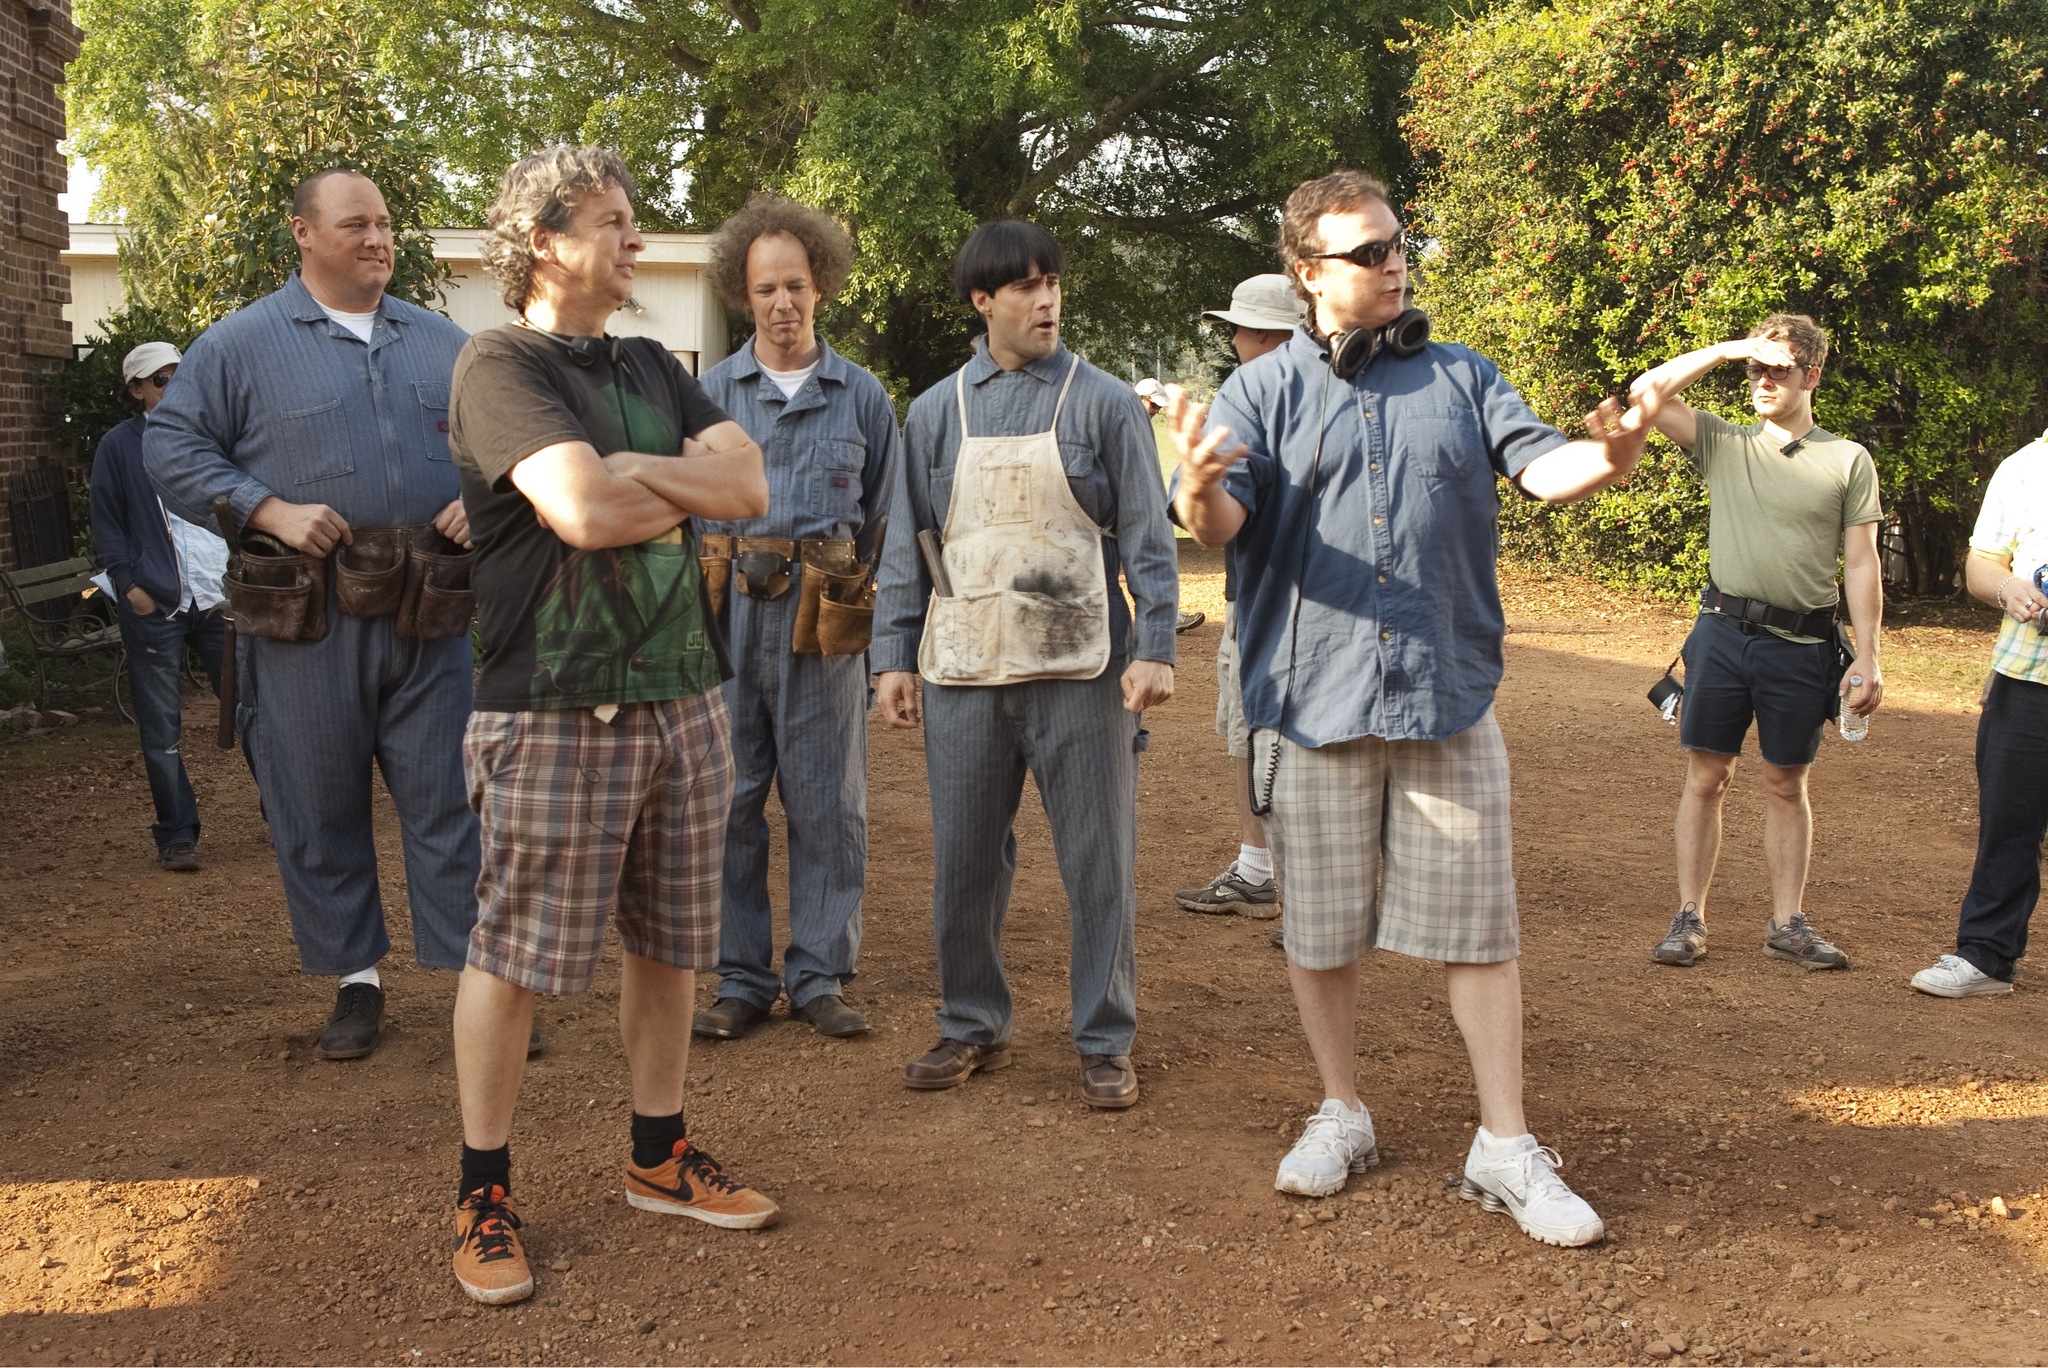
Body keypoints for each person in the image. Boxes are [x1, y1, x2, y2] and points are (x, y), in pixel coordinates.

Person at [1170, 169, 1666, 1245]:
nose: (1394, 262)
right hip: (1312, 704)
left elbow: (1545, 470)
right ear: (1307, 274)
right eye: (1366, 252)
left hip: (1444, 695)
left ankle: (1502, 1144)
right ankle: (1341, 1110)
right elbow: (1216, 525)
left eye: (1398, 245)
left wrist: (1614, 454)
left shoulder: (1461, 376)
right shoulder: (1259, 396)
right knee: (1318, 932)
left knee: (1480, 933)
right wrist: (1195, 481)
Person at [442, 145, 777, 1307]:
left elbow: (749, 488)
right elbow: (581, 513)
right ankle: (483, 1191)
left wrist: (637, 467)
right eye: (617, 222)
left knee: (673, 940)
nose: (637, 240)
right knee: (515, 952)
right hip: (552, 706)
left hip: (685, 695)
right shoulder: (497, 363)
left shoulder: (647, 359)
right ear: (545, 238)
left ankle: (658, 1155)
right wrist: (650, 482)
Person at [146, 168, 480, 1061]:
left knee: (449, 799)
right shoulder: (239, 345)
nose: (378, 239)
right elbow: (170, 445)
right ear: (302, 232)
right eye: (356, 225)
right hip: (306, 619)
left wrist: (485, 499)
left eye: (386, 225)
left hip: (428, 610)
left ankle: (470, 991)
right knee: (317, 800)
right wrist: (264, 507)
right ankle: (356, 983)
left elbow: (514, 444)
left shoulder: (448, 344)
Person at [872, 220, 1179, 1110]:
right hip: (963, 671)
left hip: (1084, 672)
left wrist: (1154, 644)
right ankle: (970, 1022)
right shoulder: (932, 414)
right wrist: (892, 658)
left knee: (1099, 860)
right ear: (983, 302)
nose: (1046, 301)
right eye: (1026, 288)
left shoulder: (1105, 403)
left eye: (1054, 284)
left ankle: (1105, 1038)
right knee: (965, 859)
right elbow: (907, 547)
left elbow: (1150, 541)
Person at [688, 193, 902, 1042]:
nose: (782, 303)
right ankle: (741, 976)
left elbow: (884, 520)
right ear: (745, 296)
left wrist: (878, 636)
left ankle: (819, 973)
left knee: (829, 804)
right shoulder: (705, 396)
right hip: (727, 626)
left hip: (827, 628)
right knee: (728, 802)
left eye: (797, 286)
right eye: (766, 288)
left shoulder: (863, 399)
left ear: (823, 289)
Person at [1626, 315, 1882, 972]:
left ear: (1812, 376)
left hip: (1801, 646)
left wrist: (1870, 658)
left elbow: (1861, 564)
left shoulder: (1847, 459)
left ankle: (1787, 923)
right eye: (1757, 370)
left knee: (1784, 781)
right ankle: (1689, 916)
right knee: (1707, 777)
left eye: (1780, 369)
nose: (1765, 380)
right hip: (1720, 636)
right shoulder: (1724, 441)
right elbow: (1644, 392)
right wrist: (1729, 348)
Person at [1173, 273, 1302, 925]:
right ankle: (1262, 871)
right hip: (1274, 601)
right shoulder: (1285, 396)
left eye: (1243, 328)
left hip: (1279, 606)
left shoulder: (1264, 400)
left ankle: (1297, 891)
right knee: (1249, 735)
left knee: (1274, 738)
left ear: (1274, 336)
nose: (1234, 338)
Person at [1909, 431, 2048, 997]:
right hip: (2026, 677)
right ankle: (1987, 957)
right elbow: (1982, 564)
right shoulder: (2023, 467)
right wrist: (2010, 589)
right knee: (2008, 825)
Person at [90, 341, 230, 873]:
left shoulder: (212, 436)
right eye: (161, 379)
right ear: (137, 390)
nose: (173, 386)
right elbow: (107, 522)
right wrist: (129, 584)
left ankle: (286, 818)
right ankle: (176, 835)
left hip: (219, 598)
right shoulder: (118, 447)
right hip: (155, 604)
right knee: (161, 728)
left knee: (253, 711)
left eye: (179, 375)